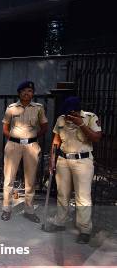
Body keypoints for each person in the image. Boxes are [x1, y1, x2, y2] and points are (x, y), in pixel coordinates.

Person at [47, 96, 102, 244]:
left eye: (71, 114)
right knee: (62, 193)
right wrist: (52, 159)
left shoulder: (90, 118)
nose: (68, 117)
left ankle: (84, 229)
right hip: (63, 160)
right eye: (66, 114)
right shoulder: (61, 119)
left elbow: (96, 137)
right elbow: (56, 140)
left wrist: (81, 124)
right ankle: (60, 222)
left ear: (77, 111)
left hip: (82, 161)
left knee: (82, 196)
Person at [1, 81, 48, 222]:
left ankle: (29, 210)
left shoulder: (39, 108)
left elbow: (44, 126)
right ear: (19, 93)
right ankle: (6, 209)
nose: (27, 93)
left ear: (33, 93)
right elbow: (5, 128)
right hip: (13, 145)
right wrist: (14, 138)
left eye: (30, 91)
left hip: (31, 146)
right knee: (9, 178)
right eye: (24, 91)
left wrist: (32, 138)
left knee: (31, 179)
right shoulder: (11, 108)